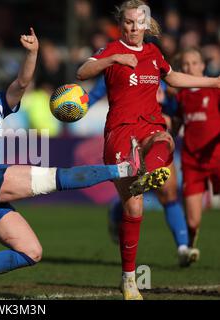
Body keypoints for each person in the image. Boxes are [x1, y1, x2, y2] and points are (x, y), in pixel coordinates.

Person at [0, 27, 152, 300]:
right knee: (56, 178)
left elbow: (21, 83)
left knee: (31, 251)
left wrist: (33, 53)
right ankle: (125, 168)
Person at [76, 0, 220, 300]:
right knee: (135, 208)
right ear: (122, 23)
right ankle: (129, 279)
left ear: (145, 24)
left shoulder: (154, 53)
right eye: (127, 22)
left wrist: (213, 82)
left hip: (149, 125)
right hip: (119, 131)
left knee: (166, 140)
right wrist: (111, 60)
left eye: (137, 22)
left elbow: (173, 78)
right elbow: (83, 71)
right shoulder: (112, 48)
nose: (132, 27)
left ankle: (146, 172)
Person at [88, 76, 196, 267]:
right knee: (133, 198)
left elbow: (180, 113)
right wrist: (77, 108)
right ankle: (117, 210)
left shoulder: (161, 74)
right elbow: (95, 93)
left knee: (168, 193)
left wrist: (174, 117)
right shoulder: (116, 66)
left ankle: (183, 248)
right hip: (129, 136)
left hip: (155, 137)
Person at [172, 47, 220, 262]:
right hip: (192, 161)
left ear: (202, 66)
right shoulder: (181, 95)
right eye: (185, 64)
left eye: (194, 63)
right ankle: (189, 247)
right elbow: (177, 124)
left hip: (217, 157)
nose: (189, 67)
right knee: (192, 222)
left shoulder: (215, 89)